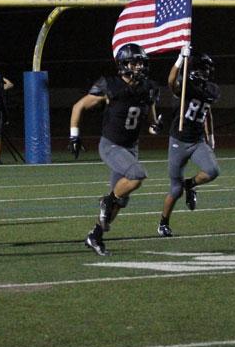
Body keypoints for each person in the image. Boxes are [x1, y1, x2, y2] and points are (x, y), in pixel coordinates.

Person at [69, 43, 162, 256]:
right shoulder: (110, 85)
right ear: (124, 64)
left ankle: (95, 236)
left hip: (131, 147)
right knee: (137, 176)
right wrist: (74, 135)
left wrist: (154, 126)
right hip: (111, 145)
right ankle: (106, 200)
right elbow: (79, 106)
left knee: (121, 201)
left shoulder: (148, 88)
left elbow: (151, 121)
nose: (139, 67)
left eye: (141, 63)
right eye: (135, 62)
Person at [158, 46, 221, 237]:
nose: (207, 73)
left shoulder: (211, 89)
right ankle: (163, 223)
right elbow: (170, 81)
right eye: (204, 69)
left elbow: (207, 111)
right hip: (178, 141)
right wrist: (180, 58)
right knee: (175, 190)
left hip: (197, 141)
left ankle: (190, 184)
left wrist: (210, 136)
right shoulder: (185, 86)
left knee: (212, 171)